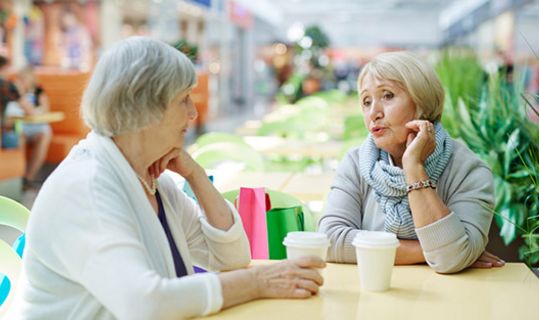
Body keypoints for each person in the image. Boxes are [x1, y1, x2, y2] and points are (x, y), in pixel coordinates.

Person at [12, 37, 325, 319]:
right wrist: (258, 282)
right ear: (144, 107)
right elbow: (145, 304)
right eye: (183, 100)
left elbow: (232, 257)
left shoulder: (154, 181)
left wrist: (196, 175)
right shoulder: (86, 187)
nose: (193, 113)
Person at [318, 51, 504, 274]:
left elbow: (450, 260)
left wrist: (414, 168)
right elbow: (329, 240)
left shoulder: (469, 171)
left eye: (387, 96)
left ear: (421, 103)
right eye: (366, 102)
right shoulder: (356, 163)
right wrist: (433, 252)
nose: (374, 113)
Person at [14, 65, 52, 188]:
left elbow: (45, 110)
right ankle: (17, 177)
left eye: (23, 78)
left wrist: (35, 111)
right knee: (18, 138)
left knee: (45, 134)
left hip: (37, 126)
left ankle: (28, 178)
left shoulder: (38, 91)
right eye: (19, 78)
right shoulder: (14, 92)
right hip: (22, 125)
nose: (21, 81)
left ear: (31, 78)